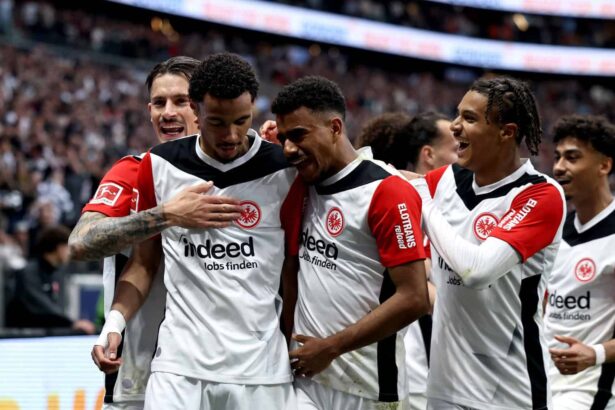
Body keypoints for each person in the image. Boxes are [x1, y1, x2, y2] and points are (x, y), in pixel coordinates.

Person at [93, 52, 302, 410]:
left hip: (261, 370)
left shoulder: (284, 168)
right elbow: (143, 262)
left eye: (241, 120)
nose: (231, 135)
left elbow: (293, 268)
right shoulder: (158, 165)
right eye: (217, 122)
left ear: (254, 107)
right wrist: (113, 324)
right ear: (196, 109)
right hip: (178, 369)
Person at [70, 56, 243, 409]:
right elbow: (80, 243)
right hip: (140, 373)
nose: (168, 113)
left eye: (181, 101)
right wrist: (164, 215)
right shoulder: (132, 171)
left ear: (205, 107)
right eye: (159, 103)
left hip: (230, 371)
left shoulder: (248, 175)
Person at [272, 75, 430, 409]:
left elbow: (415, 298)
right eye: (284, 138)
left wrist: (331, 347)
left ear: (334, 127)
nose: (288, 149)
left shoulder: (387, 191)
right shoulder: (304, 182)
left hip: (369, 389)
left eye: (298, 135)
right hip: (305, 377)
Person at [408, 77, 566, 409]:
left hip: (511, 391)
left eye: (469, 118)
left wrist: (422, 197)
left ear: (506, 132)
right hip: (444, 386)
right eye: (457, 114)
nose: (455, 126)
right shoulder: (445, 180)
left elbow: (476, 270)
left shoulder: (540, 194)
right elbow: (393, 183)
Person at [545, 115, 615, 410]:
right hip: (541, 383)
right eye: (558, 157)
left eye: (572, 158)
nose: (559, 167)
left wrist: (596, 353)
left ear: (604, 165)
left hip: (590, 391)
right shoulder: (554, 231)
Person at [6, 225, 95, 333]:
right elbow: (40, 305)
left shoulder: (57, 273)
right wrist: (71, 323)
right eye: (68, 247)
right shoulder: (28, 273)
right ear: (59, 248)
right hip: (22, 337)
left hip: (48, 336)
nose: (70, 253)